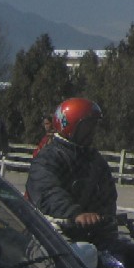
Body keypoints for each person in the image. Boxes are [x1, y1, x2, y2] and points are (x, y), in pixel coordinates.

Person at [25, 98, 118, 242]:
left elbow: (108, 195)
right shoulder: (49, 157)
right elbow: (47, 190)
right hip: (51, 236)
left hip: (91, 237)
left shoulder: (95, 159)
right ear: (69, 126)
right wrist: (75, 214)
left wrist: (106, 221)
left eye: (94, 126)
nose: (92, 132)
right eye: (87, 127)